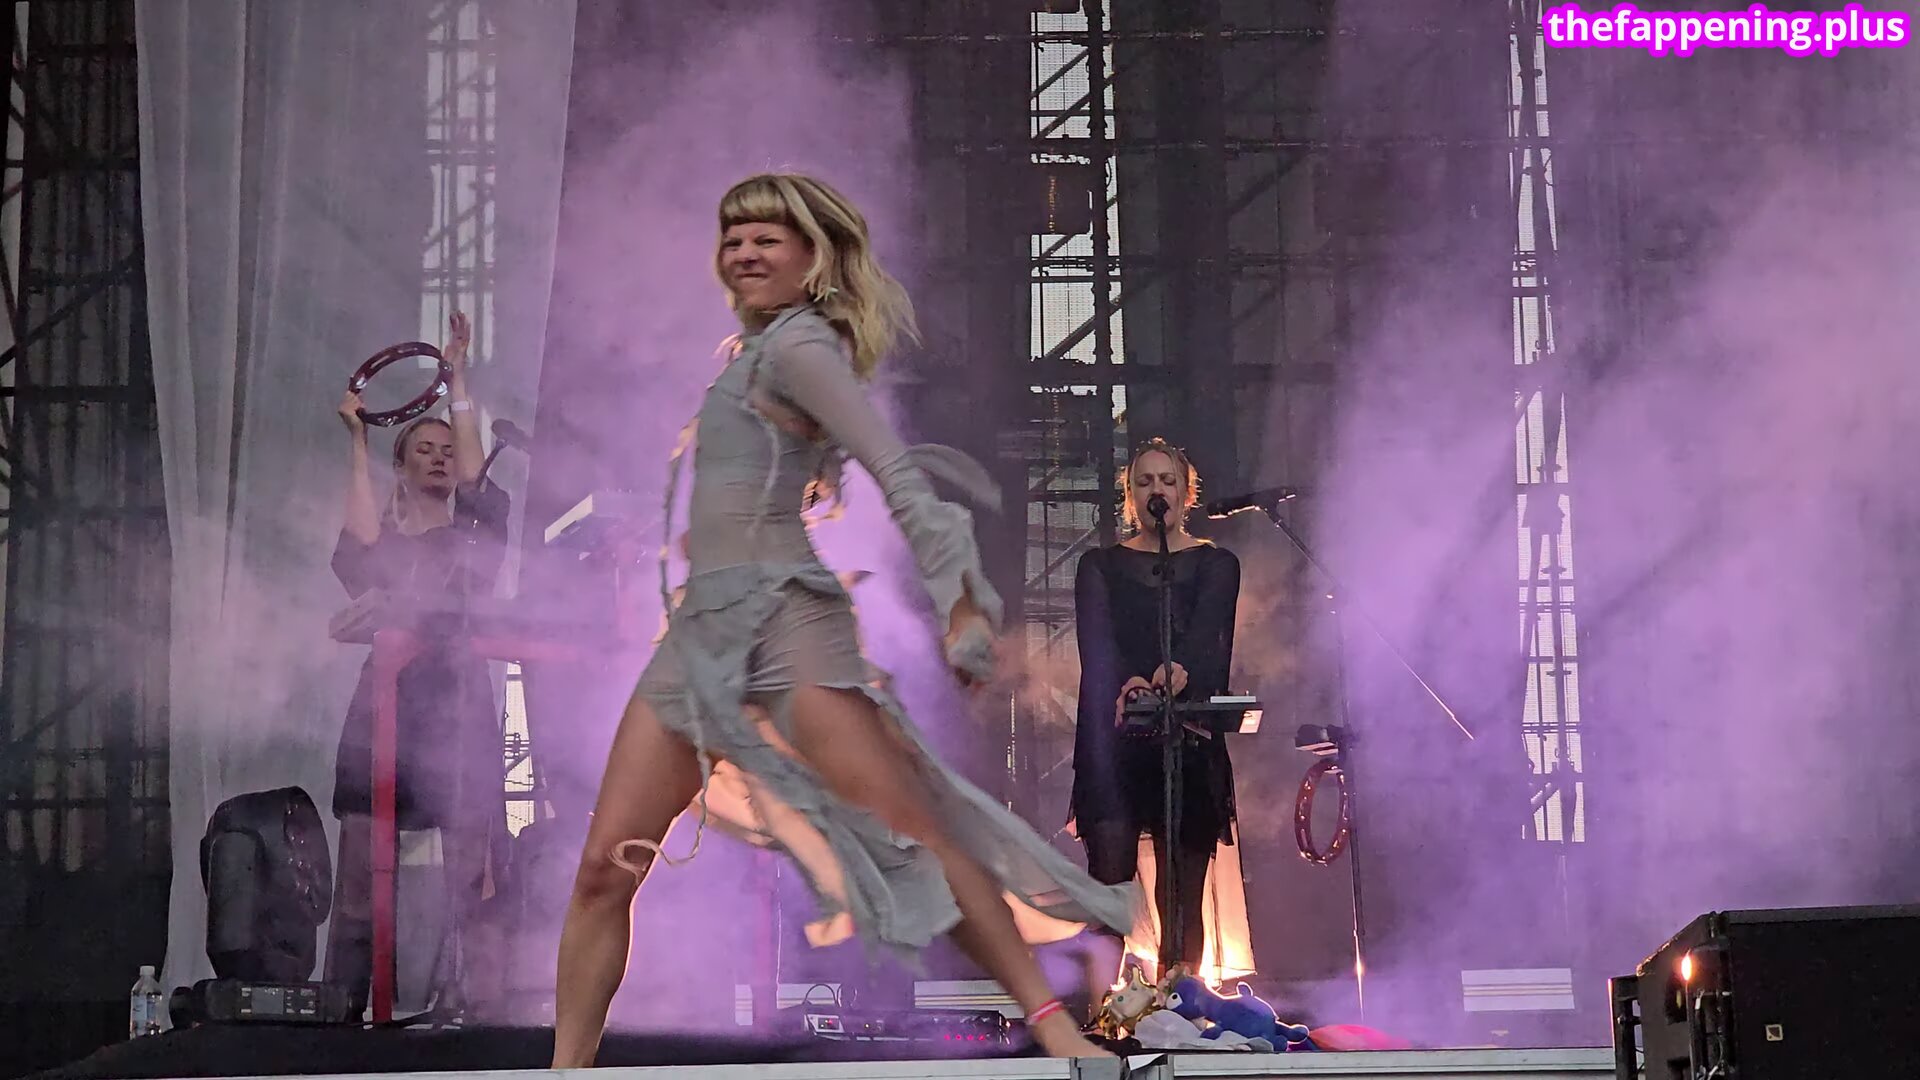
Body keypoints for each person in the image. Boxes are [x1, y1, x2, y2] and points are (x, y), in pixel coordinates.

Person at [548, 174, 1137, 1066]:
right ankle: (565, 1072)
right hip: (703, 638)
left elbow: (893, 469)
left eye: (766, 238)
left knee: (915, 838)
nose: (743, 252)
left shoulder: (800, 347)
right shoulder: (752, 355)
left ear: (813, 257)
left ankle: (1057, 1030)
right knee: (605, 866)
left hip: (787, 626)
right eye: (733, 238)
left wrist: (960, 596)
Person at [328, 311, 508, 1015]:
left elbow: (478, 480)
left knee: (469, 865)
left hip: (458, 705)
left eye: (446, 449)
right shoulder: (389, 548)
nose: (438, 457)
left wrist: (457, 382)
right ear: (401, 465)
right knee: (361, 867)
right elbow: (354, 552)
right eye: (422, 449)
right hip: (385, 707)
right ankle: (342, 1010)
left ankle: (467, 1006)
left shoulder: (474, 537)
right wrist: (358, 439)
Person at [1070, 439, 1247, 984]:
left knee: (1182, 897)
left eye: (1167, 481)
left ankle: (1179, 1008)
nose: (1157, 490)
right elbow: (1097, 644)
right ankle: (1100, 1011)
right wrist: (1128, 681)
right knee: (1109, 891)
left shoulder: (1217, 564)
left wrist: (1181, 668)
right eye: (1145, 481)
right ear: (1130, 495)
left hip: (1186, 743)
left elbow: (1211, 637)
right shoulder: (1099, 565)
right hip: (1116, 746)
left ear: (1186, 493)